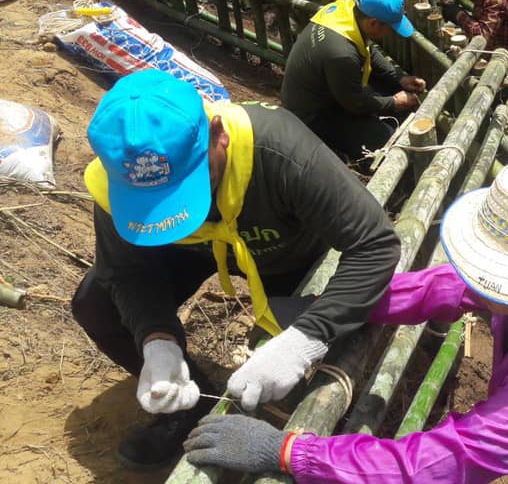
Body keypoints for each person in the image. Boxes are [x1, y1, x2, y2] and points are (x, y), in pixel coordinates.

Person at [183, 159, 508, 484]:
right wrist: (327, 311)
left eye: (492, 274)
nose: (478, 282)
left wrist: (289, 453)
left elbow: (442, 463)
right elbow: (445, 287)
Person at [71, 69, 402, 470]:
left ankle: (279, 433)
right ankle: (186, 406)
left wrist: (307, 338)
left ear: (218, 134)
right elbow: (126, 271)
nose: (179, 215)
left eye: (189, 183)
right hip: (187, 254)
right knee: (97, 304)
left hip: (284, 253)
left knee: (278, 358)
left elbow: (375, 244)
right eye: (152, 200)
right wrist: (156, 339)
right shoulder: (113, 183)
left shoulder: (280, 150)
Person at [281, 0, 425, 162]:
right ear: (373, 23)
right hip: (312, 116)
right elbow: (355, 104)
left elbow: (368, 50)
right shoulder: (342, 55)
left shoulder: (345, 9)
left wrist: (399, 79)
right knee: (386, 141)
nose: (391, 32)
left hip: (329, 90)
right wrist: (394, 102)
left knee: (388, 88)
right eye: (390, 27)